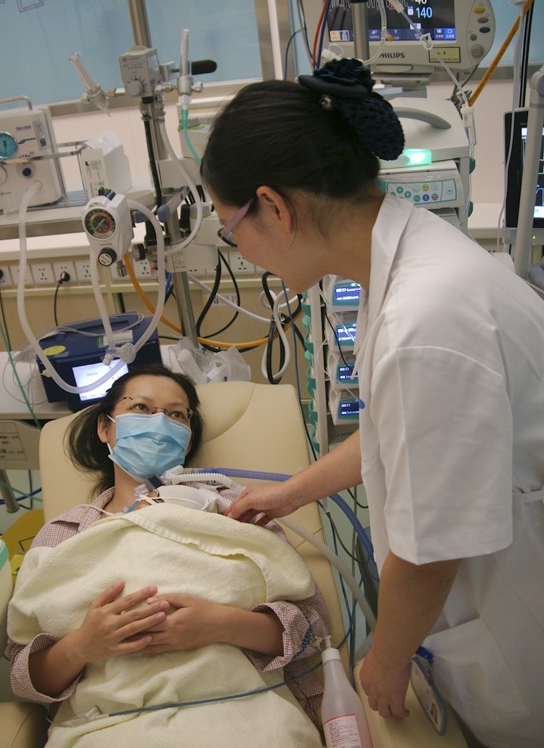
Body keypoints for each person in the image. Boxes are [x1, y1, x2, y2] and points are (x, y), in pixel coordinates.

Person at [201, 58, 544, 748]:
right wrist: (291, 493)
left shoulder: (425, 318)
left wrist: (384, 662)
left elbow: (430, 552)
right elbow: (400, 431)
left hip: (515, 615)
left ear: (275, 206)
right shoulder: (414, 264)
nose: (239, 250)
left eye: (229, 225)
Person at [7, 364, 328, 747]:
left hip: (244, 715)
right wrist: (82, 645)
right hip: (112, 727)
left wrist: (223, 624)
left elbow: (313, 627)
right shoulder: (65, 534)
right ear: (104, 427)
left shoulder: (236, 510)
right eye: (141, 408)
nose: (160, 421)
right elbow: (23, 675)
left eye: (176, 414)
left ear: (188, 438)